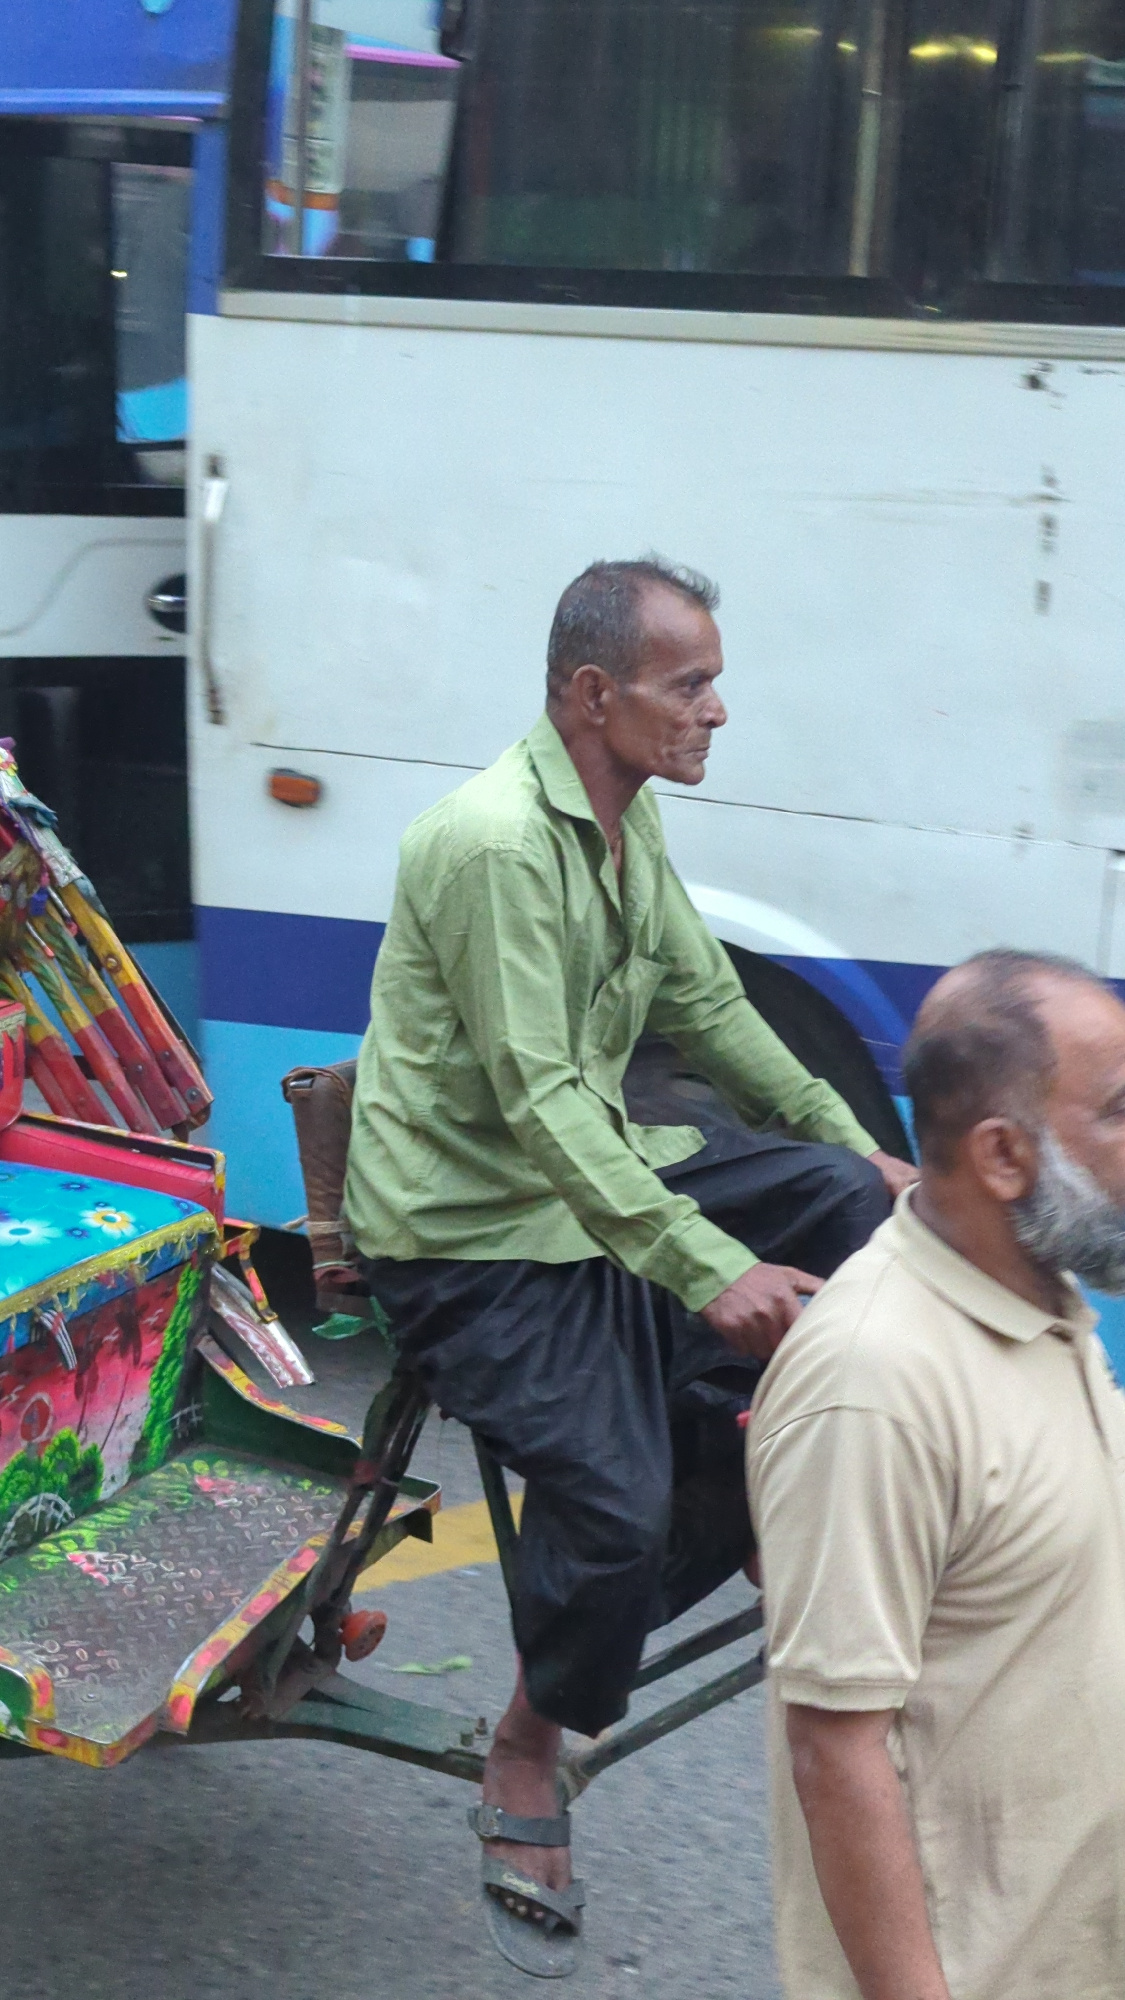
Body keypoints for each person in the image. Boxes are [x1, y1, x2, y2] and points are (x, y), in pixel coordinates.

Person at [345, 556, 913, 1974]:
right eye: (690, 683)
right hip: (473, 1241)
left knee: (844, 1195)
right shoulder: (493, 845)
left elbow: (708, 1008)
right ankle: (528, 1744)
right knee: (616, 1507)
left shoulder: (623, 817)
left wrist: (860, 1145)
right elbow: (541, 1102)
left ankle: (776, 1470)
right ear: (594, 694)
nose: (717, 710)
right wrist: (706, 1267)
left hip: (594, 1185)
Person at [747, 947, 1125, 2000]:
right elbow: (835, 1751)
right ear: (1004, 1155)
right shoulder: (872, 1382)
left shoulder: (1044, 1297)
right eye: (1119, 1110)